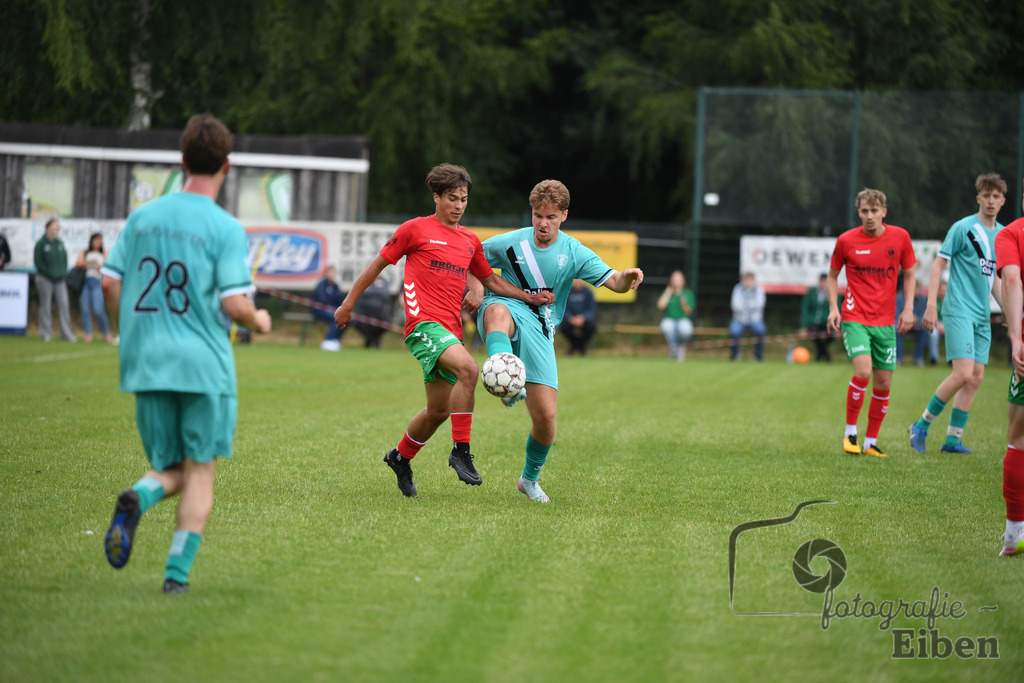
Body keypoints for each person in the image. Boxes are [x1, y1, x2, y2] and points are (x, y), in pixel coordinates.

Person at [100, 114, 272, 594]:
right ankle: (175, 577)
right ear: (227, 166)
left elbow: (110, 282)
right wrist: (259, 320)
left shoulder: (143, 217)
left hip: (147, 363)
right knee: (200, 470)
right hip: (203, 365)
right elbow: (235, 303)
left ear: (181, 161)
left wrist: (123, 333)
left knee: (170, 467)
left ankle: (139, 494)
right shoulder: (224, 226)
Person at [333, 164, 553, 498]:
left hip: (451, 329)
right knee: (469, 368)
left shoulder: (469, 241)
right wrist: (348, 304)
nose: (459, 205)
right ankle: (461, 451)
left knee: (439, 410)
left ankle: (400, 457)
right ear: (436, 197)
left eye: (464, 199)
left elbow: (489, 278)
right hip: (422, 324)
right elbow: (377, 265)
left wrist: (526, 296)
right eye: (452, 198)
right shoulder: (414, 230)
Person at [465, 179, 644, 503]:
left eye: (549, 217)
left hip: (541, 328)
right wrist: (476, 286)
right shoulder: (511, 243)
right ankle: (503, 371)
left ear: (564, 215)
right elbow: (470, 257)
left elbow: (615, 281)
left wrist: (628, 277)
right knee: (497, 312)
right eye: (537, 216)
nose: (542, 223)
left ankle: (529, 480)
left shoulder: (574, 252)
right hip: (507, 304)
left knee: (546, 420)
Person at [909, 173, 1006, 454]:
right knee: (963, 373)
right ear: (978, 198)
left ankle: (952, 439)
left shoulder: (1002, 235)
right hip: (958, 310)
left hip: (982, 314)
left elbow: (996, 281)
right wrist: (930, 305)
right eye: (985, 195)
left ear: (1002, 201)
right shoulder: (963, 228)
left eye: (995, 196)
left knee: (975, 377)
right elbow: (938, 266)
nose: (990, 200)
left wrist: (1009, 311)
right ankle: (921, 425)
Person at [827, 188, 917, 458]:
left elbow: (910, 275)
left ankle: (870, 442)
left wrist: (909, 309)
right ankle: (850, 433)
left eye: (874, 211)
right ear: (859, 213)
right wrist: (834, 308)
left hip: (886, 322)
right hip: (855, 318)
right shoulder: (846, 240)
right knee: (863, 372)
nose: (869, 216)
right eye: (864, 211)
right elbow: (832, 277)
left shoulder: (900, 237)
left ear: (884, 212)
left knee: (883, 383)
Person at [994, 183, 1024, 556]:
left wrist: (1017, 338)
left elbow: (1012, 280)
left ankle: (1014, 532)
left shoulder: (1011, 233)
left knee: (1018, 437)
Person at [33, 217, 76, 342]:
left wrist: (61, 273)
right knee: (45, 305)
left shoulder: (60, 243)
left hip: (60, 279)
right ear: (47, 228)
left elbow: (64, 260)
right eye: (52, 227)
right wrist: (49, 273)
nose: (54, 230)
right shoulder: (41, 243)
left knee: (63, 304)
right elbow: (38, 262)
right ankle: (46, 332)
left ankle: (66, 333)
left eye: (56, 227)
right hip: (44, 278)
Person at [75, 232, 114, 344]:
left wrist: (97, 266)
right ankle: (88, 334)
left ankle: (106, 333)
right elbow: (78, 263)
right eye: (96, 240)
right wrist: (87, 265)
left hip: (97, 282)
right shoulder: (85, 252)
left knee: (98, 309)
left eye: (99, 241)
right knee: (85, 309)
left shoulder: (104, 253)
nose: (98, 243)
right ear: (91, 241)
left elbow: (105, 266)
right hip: (86, 283)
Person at [658, 269, 695, 361]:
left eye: (678, 279)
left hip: (683, 319)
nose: (676, 281)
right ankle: (674, 349)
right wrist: (668, 294)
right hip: (669, 319)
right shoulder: (668, 292)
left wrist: (683, 303)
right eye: (674, 279)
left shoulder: (688, 293)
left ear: (683, 281)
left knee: (685, 329)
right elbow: (660, 306)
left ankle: (680, 348)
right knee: (666, 326)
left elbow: (689, 312)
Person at [729, 272, 766, 361]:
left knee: (761, 330)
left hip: (755, 320)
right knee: (734, 331)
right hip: (740, 319)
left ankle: (758, 356)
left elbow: (759, 305)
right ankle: (735, 355)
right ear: (743, 280)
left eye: (750, 280)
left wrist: (745, 305)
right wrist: (749, 306)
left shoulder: (759, 290)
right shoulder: (737, 289)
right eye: (746, 280)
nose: (748, 282)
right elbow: (735, 305)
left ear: (753, 281)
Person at [799, 273, 835, 362]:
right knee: (813, 334)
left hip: (827, 322)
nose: (823, 284)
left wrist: (839, 327)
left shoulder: (833, 293)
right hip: (814, 323)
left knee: (832, 335)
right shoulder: (811, 292)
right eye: (822, 281)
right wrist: (804, 327)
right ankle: (824, 354)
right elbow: (805, 309)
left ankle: (820, 353)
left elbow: (837, 310)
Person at [559, 278, 598, 356]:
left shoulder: (588, 292)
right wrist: (571, 318)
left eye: (579, 279)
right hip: (570, 319)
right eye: (575, 279)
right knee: (563, 328)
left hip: (584, 319)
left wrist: (583, 317)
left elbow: (591, 308)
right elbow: (563, 307)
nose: (577, 281)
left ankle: (576, 346)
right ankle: (579, 346)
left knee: (592, 328)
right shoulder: (567, 292)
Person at [312, 265, 346, 351]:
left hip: (333, 311)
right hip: (319, 310)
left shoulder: (335, 286)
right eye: (331, 272)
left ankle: (335, 339)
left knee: (347, 319)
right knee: (336, 319)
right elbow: (322, 300)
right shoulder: (321, 284)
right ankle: (329, 340)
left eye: (334, 273)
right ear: (326, 273)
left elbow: (339, 300)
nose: (333, 275)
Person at [353, 274, 392, 348]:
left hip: (379, 310)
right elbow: (362, 293)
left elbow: (385, 295)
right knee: (357, 322)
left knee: (386, 324)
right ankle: (372, 340)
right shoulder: (365, 279)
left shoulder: (384, 281)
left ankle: (371, 339)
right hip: (365, 309)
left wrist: (372, 290)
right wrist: (378, 290)